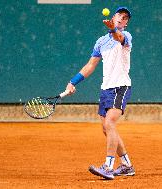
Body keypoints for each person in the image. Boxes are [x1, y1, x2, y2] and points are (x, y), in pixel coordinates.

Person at [65, 7, 135, 180]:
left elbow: (118, 37)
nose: (122, 18)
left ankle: (109, 167)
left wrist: (112, 28)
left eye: (125, 18)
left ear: (126, 23)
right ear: (113, 16)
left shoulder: (126, 37)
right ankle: (126, 165)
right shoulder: (101, 42)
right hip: (106, 89)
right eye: (119, 15)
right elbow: (90, 66)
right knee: (106, 129)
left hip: (121, 87)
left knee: (110, 123)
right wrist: (73, 82)